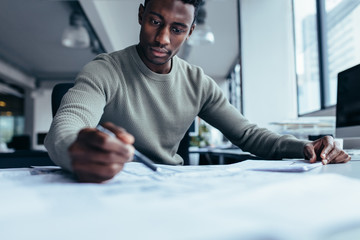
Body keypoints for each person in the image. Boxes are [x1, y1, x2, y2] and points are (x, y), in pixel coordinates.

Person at [45, 0, 351, 183]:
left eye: (177, 29)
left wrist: (305, 146)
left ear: (190, 32)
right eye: (155, 21)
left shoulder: (198, 83)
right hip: (112, 186)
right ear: (141, 15)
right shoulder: (104, 70)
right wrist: (77, 151)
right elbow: (66, 126)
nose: (162, 38)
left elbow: (248, 135)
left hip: (171, 189)